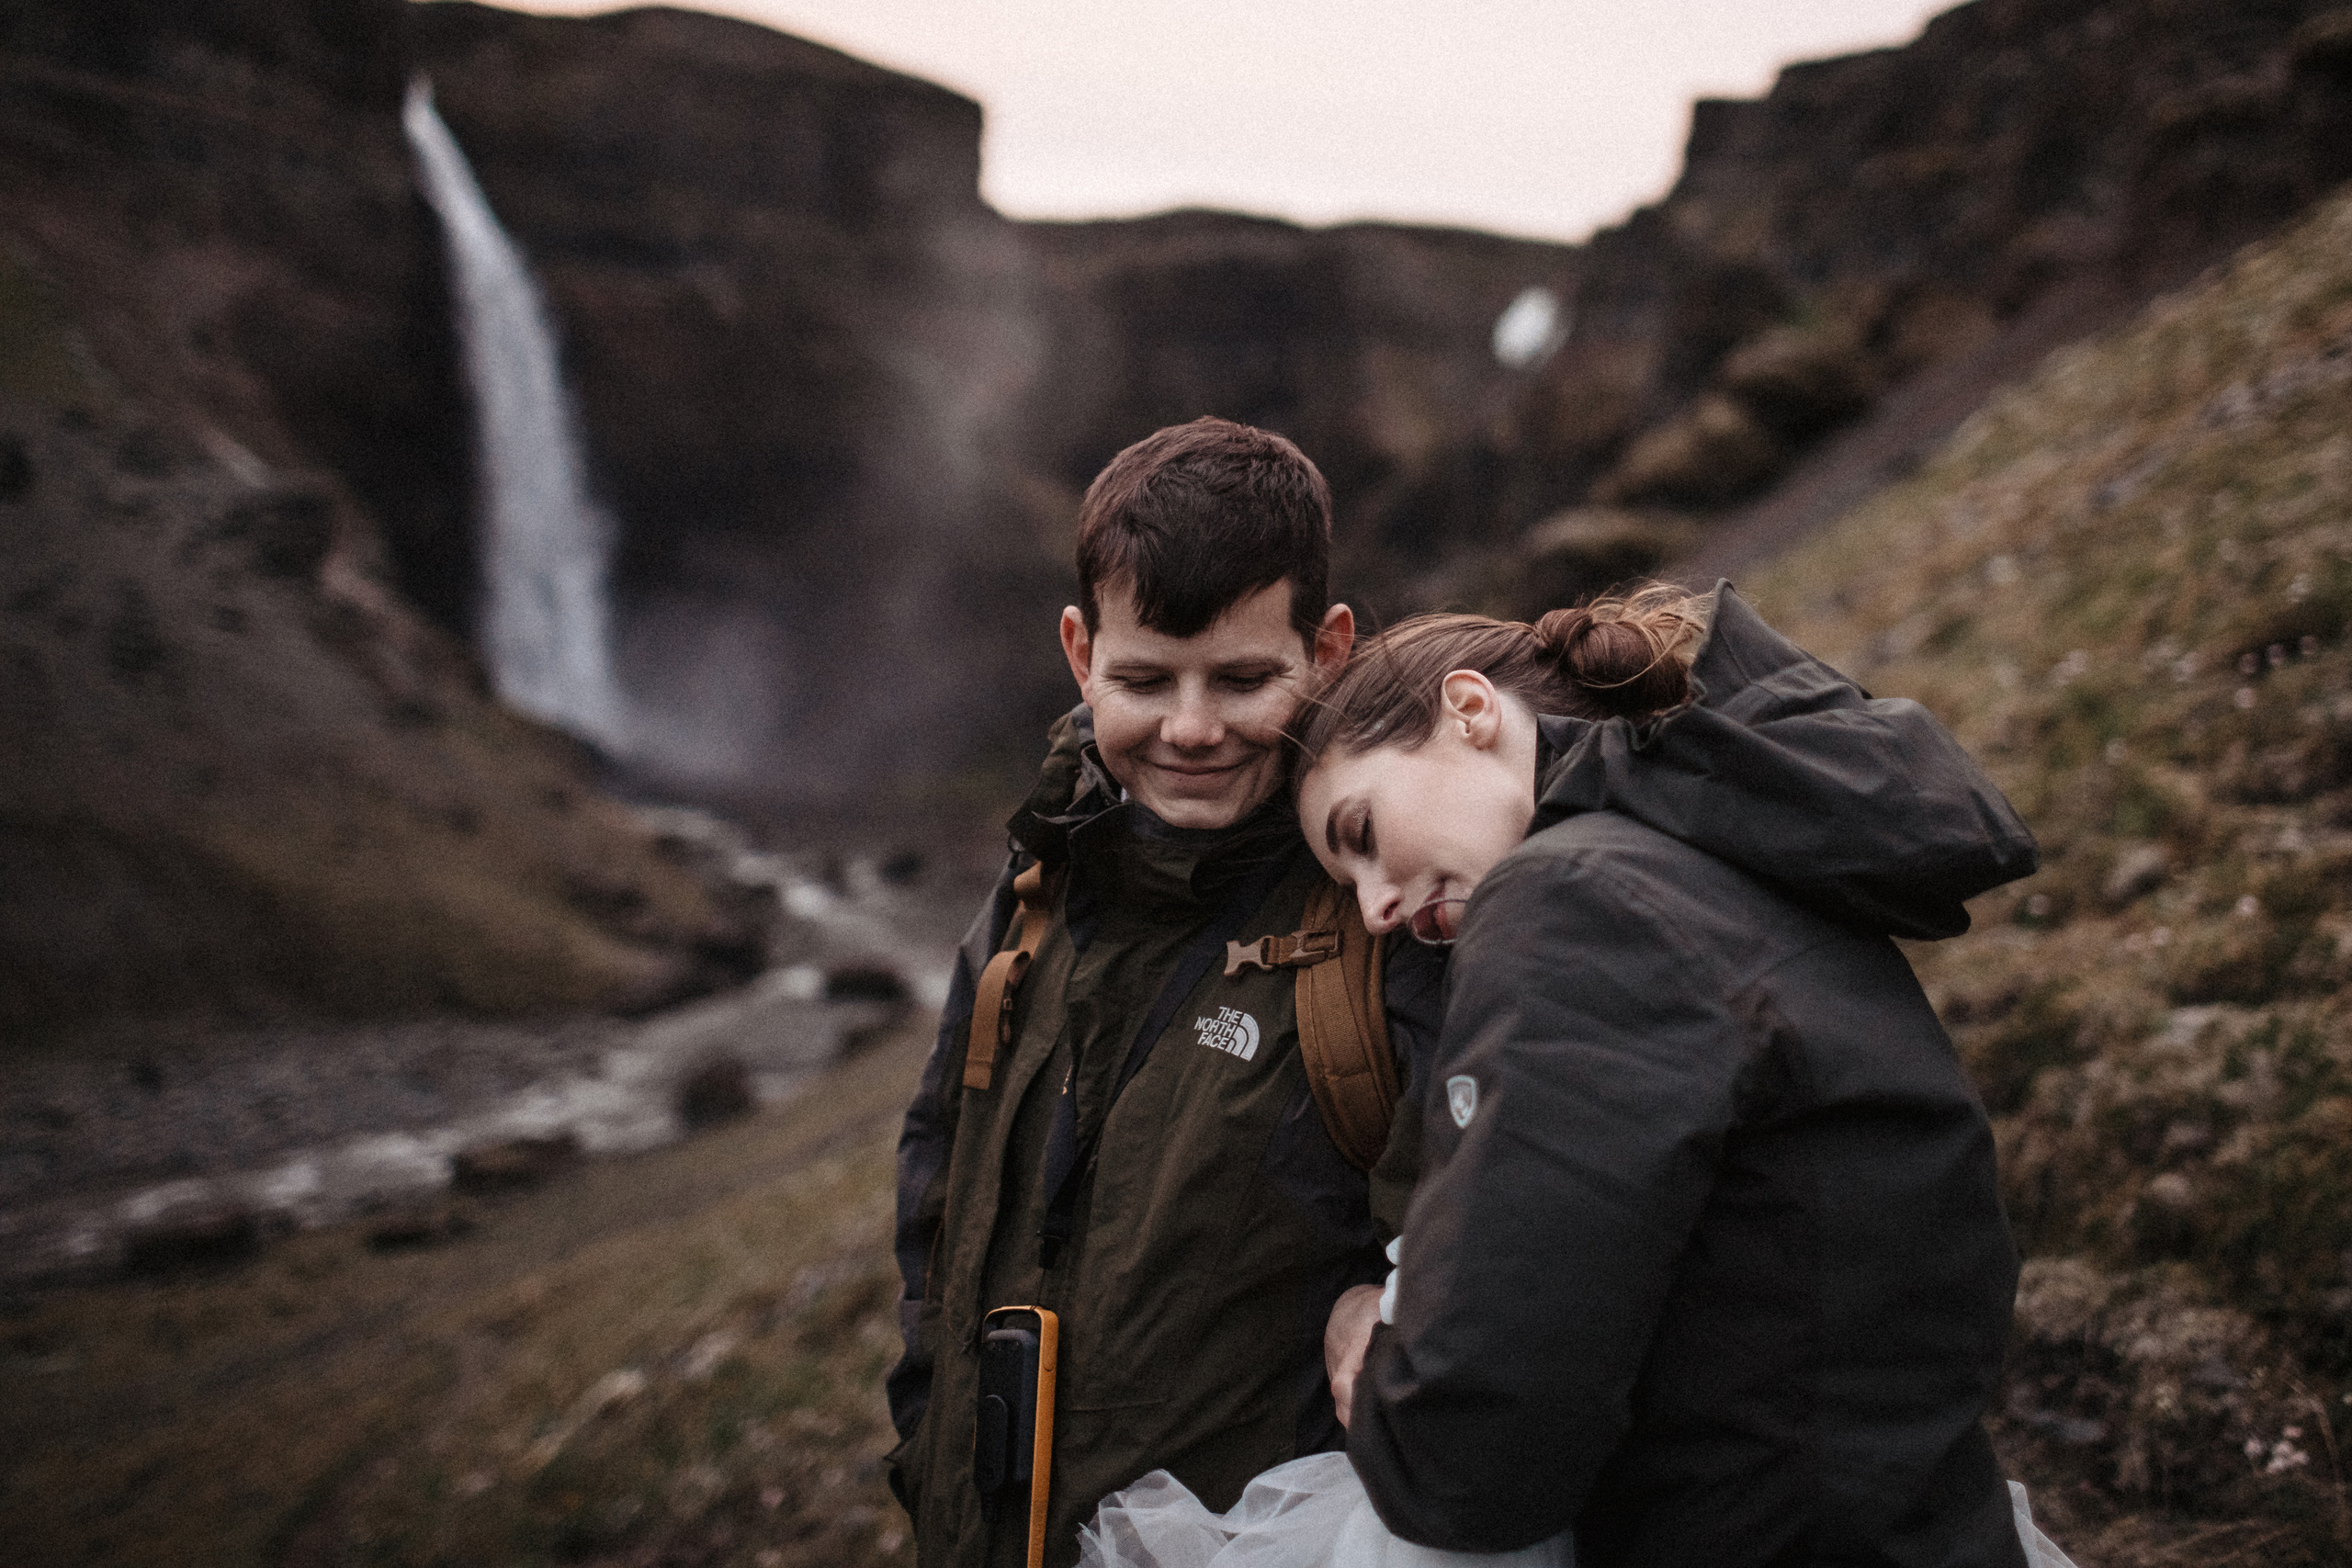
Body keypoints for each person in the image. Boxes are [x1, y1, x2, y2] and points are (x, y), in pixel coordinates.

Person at [1078, 583, 2076, 1568]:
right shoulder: (1736, 865)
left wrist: (1369, 1356)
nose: (1376, 909)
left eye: (1364, 836)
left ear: (1469, 712)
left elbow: (1469, 1460)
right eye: (1350, 887)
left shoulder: (1569, 904)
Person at [888, 417, 1447, 1568]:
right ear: (1079, 653)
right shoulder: (1031, 892)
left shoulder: (1394, 913)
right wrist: (925, 1453)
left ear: (1329, 648)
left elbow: (1484, 1262)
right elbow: (936, 1211)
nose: (1191, 730)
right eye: (1144, 680)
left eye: (1243, 680)